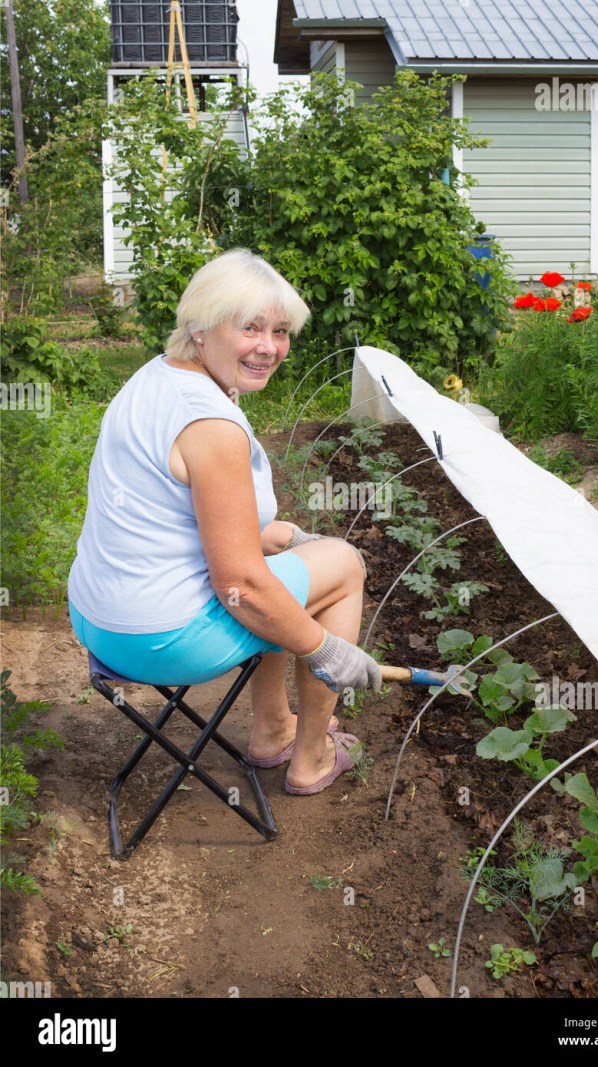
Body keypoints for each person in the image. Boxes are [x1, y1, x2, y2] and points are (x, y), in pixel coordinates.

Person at [68, 248, 381, 796]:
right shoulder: (211, 424)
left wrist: (285, 538)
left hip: (99, 619)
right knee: (341, 566)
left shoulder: (155, 378)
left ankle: (274, 728)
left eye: (280, 331)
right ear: (200, 328)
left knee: (279, 565)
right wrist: (323, 649)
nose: (269, 347)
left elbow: (193, 523)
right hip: (158, 639)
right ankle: (309, 755)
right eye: (249, 327)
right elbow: (240, 585)